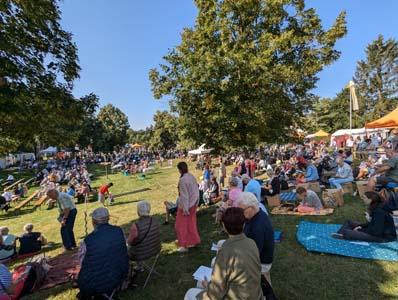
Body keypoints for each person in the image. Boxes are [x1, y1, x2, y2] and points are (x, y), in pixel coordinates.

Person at [184, 207, 263, 300]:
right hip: (254, 294)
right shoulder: (251, 242)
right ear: (244, 224)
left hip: (237, 295)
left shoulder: (225, 251)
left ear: (224, 227)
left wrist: (207, 287)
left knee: (190, 293)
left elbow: (216, 292)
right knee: (200, 284)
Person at [77, 207, 129, 299]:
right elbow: (123, 250)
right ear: (108, 219)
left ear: (93, 221)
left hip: (96, 283)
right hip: (118, 275)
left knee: (84, 278)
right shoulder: (118, 231)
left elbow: (82, 263)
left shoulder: (88, 240)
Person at [237, 192, 274, 285]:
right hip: (263, 255)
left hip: (262, 261)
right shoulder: (259, 213)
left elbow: (254, 253)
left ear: (251, 208)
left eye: (242, 210)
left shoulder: (257, 227)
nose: (240, 213)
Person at [332, 191, 397, 242]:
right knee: (349, 221)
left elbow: (376, 232)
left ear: (371, 199)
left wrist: (361, 230)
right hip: (376, 230)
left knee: (347, 231)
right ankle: (340, 235)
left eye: (364, 197)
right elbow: (373, 223)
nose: (362, 199)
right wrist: (362, 226)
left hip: (384, 237)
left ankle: (344, 235)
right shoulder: (376, 206)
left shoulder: (379, 211)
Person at [175, 162, 201, 253]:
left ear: (180, 169)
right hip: (193, 204)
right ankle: (192, 241)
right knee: (191, 224)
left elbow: (184, 196)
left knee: (180, 226)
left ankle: (184, 245)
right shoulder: (191, 176)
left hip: (186, 207)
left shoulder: (183, 180)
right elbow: (196, 190)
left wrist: (185, 209)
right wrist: (196, 202)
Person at [127, 201, 161, 271]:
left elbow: (129, 242)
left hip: (141, 253)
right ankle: (140, 267)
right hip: (155, 249)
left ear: (138, 211)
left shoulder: (136, 225)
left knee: (123, 250)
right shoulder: (154, 220)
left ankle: (132, 271)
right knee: (140, 243)